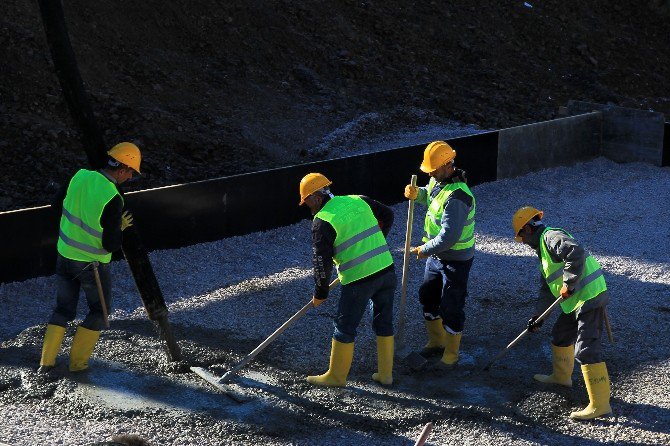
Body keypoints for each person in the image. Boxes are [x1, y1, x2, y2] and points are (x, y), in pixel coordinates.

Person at [38, 142, 141, 373]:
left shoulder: (79, 176)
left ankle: (46, 363)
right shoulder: (113, 198)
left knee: (63, 310)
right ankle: (78, 364)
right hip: (91, 266)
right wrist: (120, 227)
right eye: (131, 174)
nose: (129, 178)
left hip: (64, 257)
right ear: (122, 169)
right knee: (98, 311)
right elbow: (110, 245)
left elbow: (56, 206)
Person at [513, 206, 612, 420]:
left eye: (522, 237)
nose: (524, 244)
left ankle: (600, 405)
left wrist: (569, 282)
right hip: (575, 299)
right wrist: (538, 317)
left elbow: (575, 252)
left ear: (528, 229)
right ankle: (561, 377)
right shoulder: (543, 251)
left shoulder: (551, 237)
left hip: (589, 296)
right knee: (560, 335)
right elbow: (547, 291)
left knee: (586, 350)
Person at [299, 172, 396, 387]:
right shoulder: (358, 199)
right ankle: (386, 375)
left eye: (306, 201)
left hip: (359, 279)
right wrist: (376, 243)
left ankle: (336, 376)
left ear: (315, 197)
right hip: (386, 269)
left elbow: (321, 264)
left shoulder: (322, 222)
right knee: (383, 321)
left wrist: (320, 293)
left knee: (344, 326)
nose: (308, 207)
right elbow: (388, 215)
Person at [404, 140, 475, 368]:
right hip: (437, 257)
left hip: (455, 259)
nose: (430, 173)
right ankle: (437, 341)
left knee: (451, 305)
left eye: (433, 169)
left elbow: (449, 237)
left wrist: (424, 250)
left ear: (447, 165)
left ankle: (451, 353)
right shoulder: (438, 180)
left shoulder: (458, 198)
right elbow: (431, 197)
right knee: (427, 296)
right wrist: (418, 194)